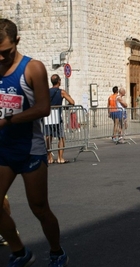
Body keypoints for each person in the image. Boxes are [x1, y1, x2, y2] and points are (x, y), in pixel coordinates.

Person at [0, 18, 68, 267]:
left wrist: (9, 119)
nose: (0, 58)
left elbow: (43, 107)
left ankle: (57, 251)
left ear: (17, 42)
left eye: (5, 52)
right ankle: (20, 253)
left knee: (39, 208)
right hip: (3, 149)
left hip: (30, 149)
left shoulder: (33, 68)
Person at [45, 74, 75, 164]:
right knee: (61, 137)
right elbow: (72, 102)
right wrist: (66, 107)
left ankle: (49, 158)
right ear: (59, 81)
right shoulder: (61, 92)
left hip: (47, 116)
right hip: (57, 117)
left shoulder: (46, 91)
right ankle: (60, 157)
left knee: (48, 137)